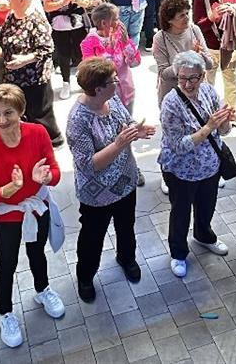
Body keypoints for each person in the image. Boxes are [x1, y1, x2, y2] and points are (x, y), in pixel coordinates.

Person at [0, 84, 66, 349]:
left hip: (37, 207)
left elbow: (55, 170)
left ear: (21, 111)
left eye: (8, 113)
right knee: (8, 264)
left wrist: (46, 177)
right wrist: (10, 188)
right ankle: (5, 313)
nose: (1, 121)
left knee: (37, 254)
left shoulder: (38, 133)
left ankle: (43, 291)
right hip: (7, 218)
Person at [66, 57, 154, 301]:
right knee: (92, 238)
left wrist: (137, 130)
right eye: (112, 80)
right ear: (97, 89)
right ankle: (85, 277)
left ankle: (127, 258)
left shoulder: (111, 98)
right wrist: (119, 144)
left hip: (125, 181)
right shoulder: (78, 120)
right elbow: (88, 165)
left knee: (126, 226)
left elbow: (126, 121)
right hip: (97, 193)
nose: (118, 81)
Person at [158, 50, 233, 277]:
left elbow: (224, 131)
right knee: (180, 213)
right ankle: (178, 253)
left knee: (207, 205)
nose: (187, 83)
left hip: (210, 165)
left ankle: (204, 236)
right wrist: (209, 127)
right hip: (181, 170)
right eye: (182, 78)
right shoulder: (171, 104)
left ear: (202, 76)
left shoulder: (209, 91)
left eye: (193, 78)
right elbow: (178, 146)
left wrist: (225, 121)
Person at [0, 0, 62, 146]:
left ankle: (51, 142)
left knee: (40, 114)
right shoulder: (11, 18)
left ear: (22, 1)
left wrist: (25, 60)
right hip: (14, 78)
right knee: (22, 112)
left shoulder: (36, 21)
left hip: (35, 78)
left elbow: (47, 48)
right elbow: (3, 35)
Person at [193, 0, 236, 110]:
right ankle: (209, 114)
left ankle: (230, 115)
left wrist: (234, 12)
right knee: (207, 84)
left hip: (230, 46)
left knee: (231, 84)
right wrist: (211, 18)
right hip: (210, 48)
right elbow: (197, 26)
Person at [42, 0, 89, 100]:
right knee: (63, 55)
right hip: (59, 23)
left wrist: (76, 0)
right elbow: (47, 6)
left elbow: (86, 2)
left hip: (77, 22)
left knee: (80, 54)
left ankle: (84, 82)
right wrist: (63, 2)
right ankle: (66, 82)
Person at [80, 2, 142, 111]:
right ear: (104, 23)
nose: (119, 22)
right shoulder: (89, 43)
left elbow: (135, 63)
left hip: (127, 92)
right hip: (106, 99)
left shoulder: (120, 37)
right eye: (116, 19)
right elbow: (90, 73)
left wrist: (126, 43)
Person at [152, 0, 214, 102]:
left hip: (196, 95)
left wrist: (201, 55)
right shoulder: (160, 38)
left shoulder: (195, 30)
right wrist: (188, 58)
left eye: (187, 13)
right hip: (173, 97)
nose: (186, 18)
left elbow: (209, 65)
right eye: (181, 15)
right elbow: (164, 74)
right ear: (169, 20)